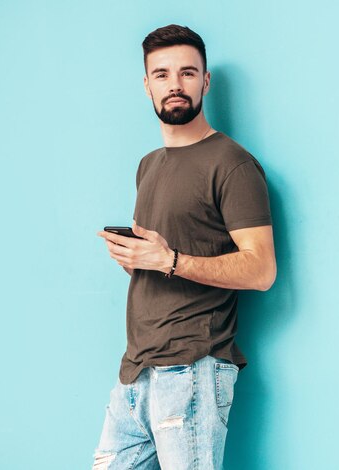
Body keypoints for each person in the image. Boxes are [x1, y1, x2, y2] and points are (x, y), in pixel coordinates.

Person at [92, 24, 276, 470]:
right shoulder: (148, 165)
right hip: (136, 371)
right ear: (147, 84)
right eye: (162, 74)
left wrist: (169, 260)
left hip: (193, 368)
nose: (174, 84)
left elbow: (261, 270)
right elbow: (166, 257)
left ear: (205, 81)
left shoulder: (232, 164)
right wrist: (139, 259)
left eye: (187, 73)